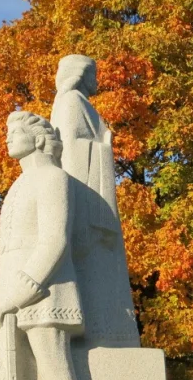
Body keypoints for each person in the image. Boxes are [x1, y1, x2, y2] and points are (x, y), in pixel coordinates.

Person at [0, 110, 85, 380]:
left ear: (40, 138)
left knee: (53, 362)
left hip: (47, 288)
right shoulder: (18, 185)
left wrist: (21, 291)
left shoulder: (52, 178)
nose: (8, 137)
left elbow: (54, 242)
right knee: (17, 371)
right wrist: (6, 296)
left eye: (16, 131)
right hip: (13, 289)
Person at [50, 55, 140, 347]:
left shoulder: (79, 102)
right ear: (80, 74)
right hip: (86, 190)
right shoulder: (71, 103)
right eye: (93, 74)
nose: (97, 81)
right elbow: (71, 149)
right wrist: (104, 147)